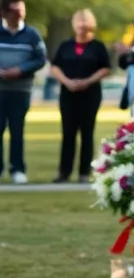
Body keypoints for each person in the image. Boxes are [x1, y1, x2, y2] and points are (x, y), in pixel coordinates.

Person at [50, 9, 110, 184]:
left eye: (85, 22)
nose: (82, 26)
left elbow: (105, 68)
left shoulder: (97, 47)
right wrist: (67, 81)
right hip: (68, 94)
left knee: (87, 132)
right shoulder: (65, 46)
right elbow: (55, 67)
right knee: (68, 133)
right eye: (79, 22)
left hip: (89, 95)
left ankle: (85, 172)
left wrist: (88, 81)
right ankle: (64, 172)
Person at [0, 0, 46, 184]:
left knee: (17, 130)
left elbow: (40, 59)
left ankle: (17, 168)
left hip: (21, 90)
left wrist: (20, 70)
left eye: (21, 10)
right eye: (15, 10)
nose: (19, 14)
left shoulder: (32, 34)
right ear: (4, 12)